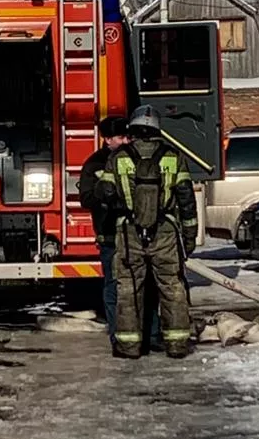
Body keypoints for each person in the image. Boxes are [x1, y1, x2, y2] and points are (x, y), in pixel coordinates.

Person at [96, 105, 199, 359]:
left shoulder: (119, 158)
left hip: (129, 233)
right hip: (165, 232)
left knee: (128, 289)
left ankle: (129, 346)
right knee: (172, 287)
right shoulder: (173, 157)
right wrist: (189, 237)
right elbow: (186, 200)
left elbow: (104, 194)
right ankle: (177, 344)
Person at [77, 115, 130, 343]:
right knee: (112, 285)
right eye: (121, 137)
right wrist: (106, 194)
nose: (126, 141)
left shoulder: (133, 158)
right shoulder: (95, 164)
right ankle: (117, 333)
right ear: (108, 139)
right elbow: (86, 199)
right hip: (109, 234)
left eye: (128, 137)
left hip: (134, 234)